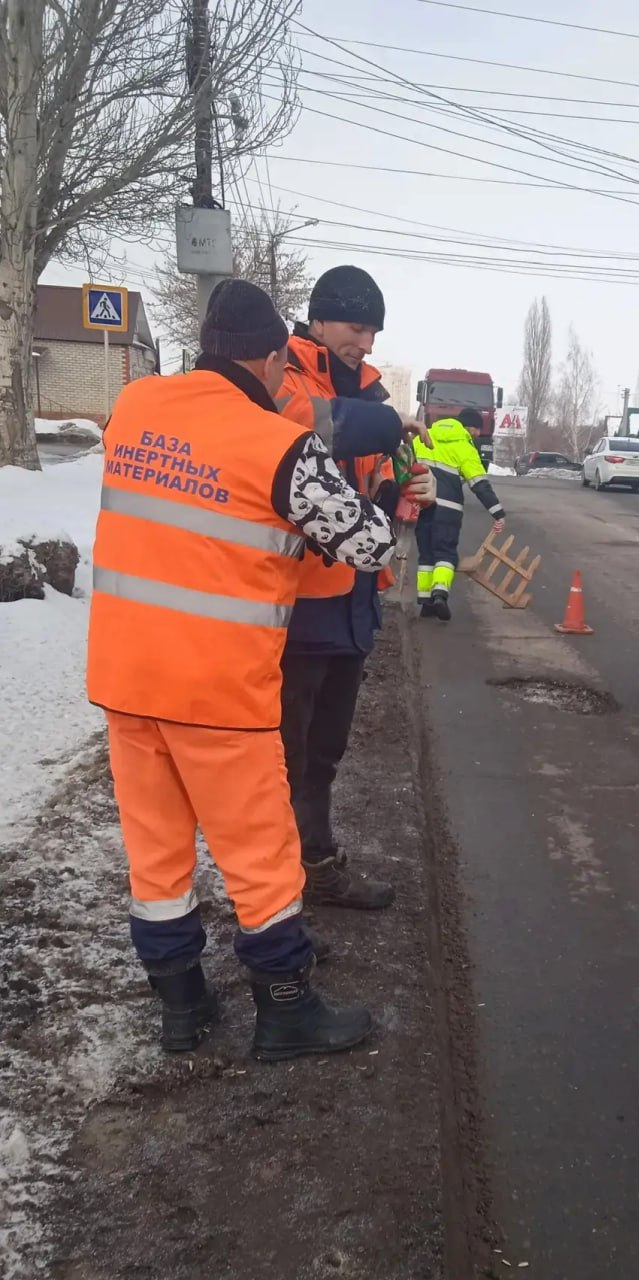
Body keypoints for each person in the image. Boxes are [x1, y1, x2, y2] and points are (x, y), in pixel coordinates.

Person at [86, 279, 397, 1061]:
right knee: (261, 859)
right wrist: (388, 500)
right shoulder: (274, 443)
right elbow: (369, 545)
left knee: (156, 854)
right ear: (266, 360)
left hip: (126, 682)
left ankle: (182, 1007)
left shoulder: (135, 410)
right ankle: (285, 1008)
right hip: (218, 693)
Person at [276, 265, 435, 911]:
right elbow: (306, 426)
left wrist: (406, 495)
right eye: (354, 326)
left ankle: (315, 869)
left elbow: (386, 489)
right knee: (283, 760)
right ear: (317, 320)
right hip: (296, 602)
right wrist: (390, 424)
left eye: (372, 330)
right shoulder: (280, 375)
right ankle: (277, 898)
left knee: (325, 753)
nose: (365, 342)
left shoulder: (370, 396)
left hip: (353, 603)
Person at [413, 408, 506, 621]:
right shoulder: (464, 447)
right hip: (448, 510)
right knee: (445, 554)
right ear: (468, 427)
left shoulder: (423, 437)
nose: (476, 435)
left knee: (426, 554)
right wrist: (497, 512)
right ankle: (440, 594)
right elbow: (479, 484)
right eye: (476, 430)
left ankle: (426, 604)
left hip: (422, 506)